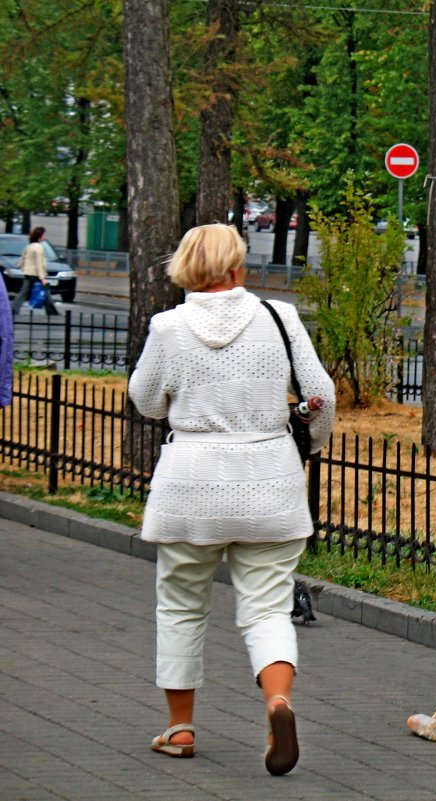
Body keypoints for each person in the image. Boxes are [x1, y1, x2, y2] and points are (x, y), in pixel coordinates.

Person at [128, 223, 336, 776]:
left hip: (191, 484)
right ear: (238, 267)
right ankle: (277, 703)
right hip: (269, 480)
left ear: (186, 268)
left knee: (180, 606)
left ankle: (180, 728)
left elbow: (146, 400)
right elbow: (321, 395)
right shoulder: (279, 317)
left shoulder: (168, 327)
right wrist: (306, 445)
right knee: (267, 607)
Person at [11, 227, 59, 316]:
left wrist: (23, 268)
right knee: (45, 292)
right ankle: (52, 312)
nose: (44, 237)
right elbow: (39, 263)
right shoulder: (39, 247)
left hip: (28, 273)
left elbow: (23, 259)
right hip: (36, 275)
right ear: (39, 236)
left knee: (23, 294)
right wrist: (43, 278)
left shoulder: (29, 246)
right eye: (43, 235)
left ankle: (13, 310)